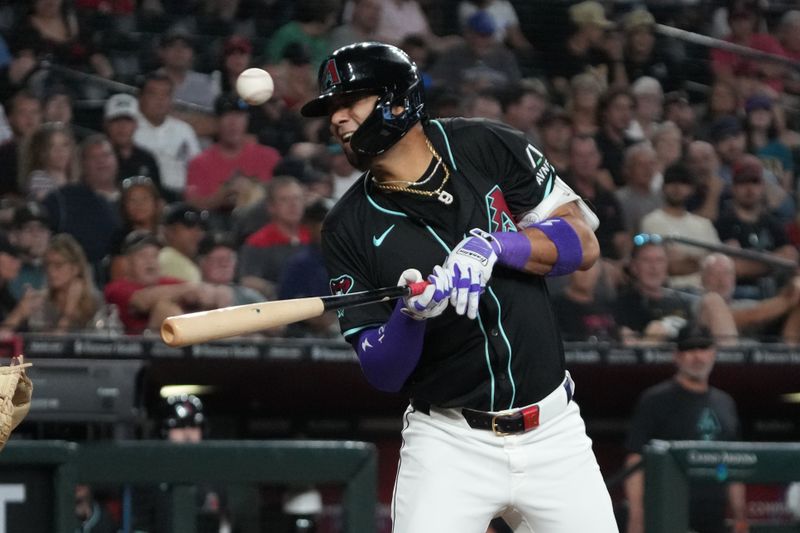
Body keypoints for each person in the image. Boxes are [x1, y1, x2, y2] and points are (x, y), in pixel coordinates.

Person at [300, 42, 616, 532]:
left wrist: (496, 246)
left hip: (554, 432)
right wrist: (410, 318)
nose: (337, 120)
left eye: (350, 102)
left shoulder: (485, 145)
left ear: (397, 100)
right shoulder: (346, 227)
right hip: (449, 442)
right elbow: (382, 371)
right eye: (331, 110)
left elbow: (582, 242)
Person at [623, 324, 748, 533]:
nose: (698, 356)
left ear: (713, 353)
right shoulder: (655, 399)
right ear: (677, 356)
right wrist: (637, 516)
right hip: (668, 512)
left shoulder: (725, 402)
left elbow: (732, 464)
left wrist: (739, 515)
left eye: (703, 348)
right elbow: (635, 461)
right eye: (690, 349)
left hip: (713, 515)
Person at [614, 235, 737, 345]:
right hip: (653, 359)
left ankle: (729, 361)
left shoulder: (685, 296)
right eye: (647, 260)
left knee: (713, 300)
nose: (654, 267)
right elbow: (627, 342)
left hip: (695, 350)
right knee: (656, 329)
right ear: (634, 267)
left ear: (667, 266)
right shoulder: (625, 303)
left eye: (659, 260)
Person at [102, 93, 164, 194]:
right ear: (106, 124)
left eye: (127, 120)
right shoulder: (98, 158)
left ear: (136, 124)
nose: (122, 127)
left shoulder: (147, 159)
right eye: (116, 120)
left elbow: (157, 195)